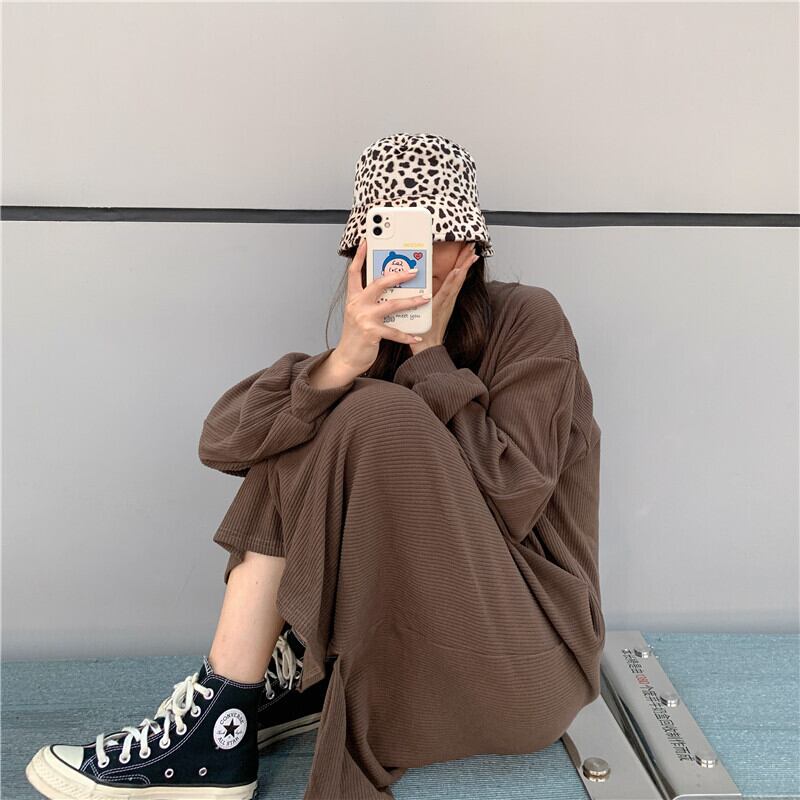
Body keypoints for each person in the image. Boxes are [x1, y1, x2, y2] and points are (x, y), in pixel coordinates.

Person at [25, 132, 605, 800]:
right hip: (423, 657)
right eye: (395, 240)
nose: (414, 260)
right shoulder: (372, 354)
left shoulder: (530, 319)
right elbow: (224, 442)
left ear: (471, 248)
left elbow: (514, 495)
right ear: (362, 252)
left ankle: (222, 724)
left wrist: (429, 357)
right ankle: (226, 712)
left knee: (368, 411)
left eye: (436, 236)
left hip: (532, 661)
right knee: (319, 414)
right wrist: (340, 364)